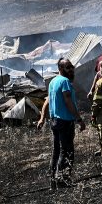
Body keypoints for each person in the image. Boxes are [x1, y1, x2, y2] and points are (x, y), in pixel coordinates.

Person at [37, 58, 86, 189]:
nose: (71, 70)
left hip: (55, 121)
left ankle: (53, 180)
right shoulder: (64, 82)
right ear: (60, 69)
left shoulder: (53, 81)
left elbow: (47, 101)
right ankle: (63, 180)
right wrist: (79, 119)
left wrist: (42, 118)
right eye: (67, 67)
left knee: (57, 151)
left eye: (71, 67)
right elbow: (68, 101)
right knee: (67, 150)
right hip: (65, 121)